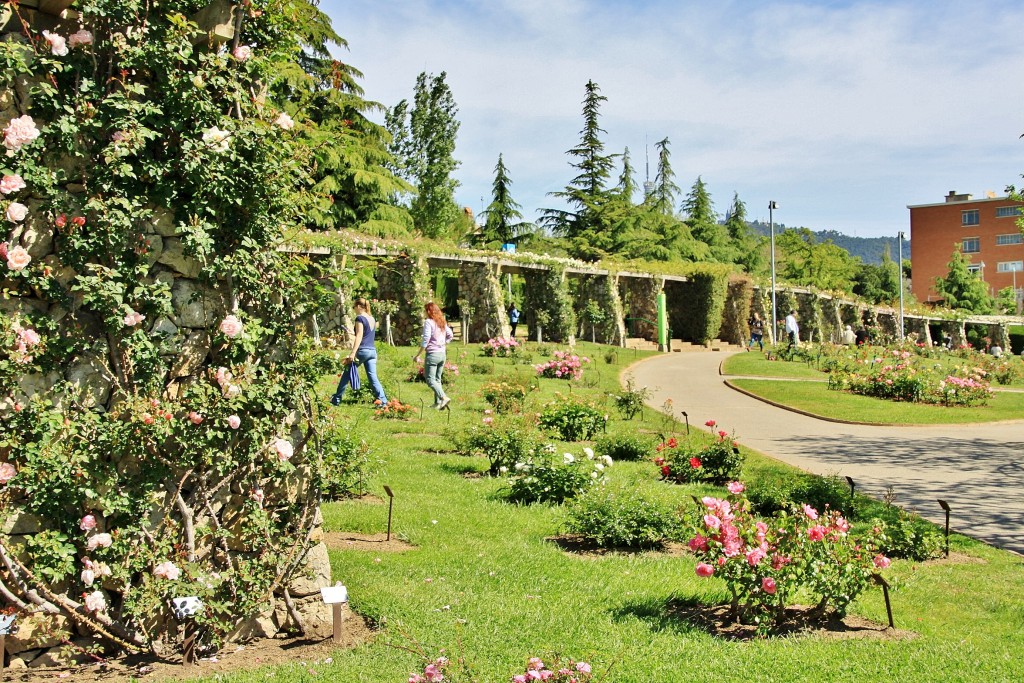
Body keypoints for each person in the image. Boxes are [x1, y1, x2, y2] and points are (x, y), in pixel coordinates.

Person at [330, 298, 389, 407]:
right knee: (373, 377)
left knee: (347, 374)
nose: (354, 310)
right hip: (372, 351)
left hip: (362, 351)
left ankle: (336, 399)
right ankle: (383, 401)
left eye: (354, 307)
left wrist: (353, 353)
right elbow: (367, 334)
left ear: (358, 306)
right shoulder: (371, 318)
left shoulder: (359, 318)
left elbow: (360, 336)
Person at [413, 301, 454, 410]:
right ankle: (438, 403)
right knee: (437, 379)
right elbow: (450, 335)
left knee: (430, 379)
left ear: (428, 311)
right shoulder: (442, 322)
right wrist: (443, 343)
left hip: (432, 354)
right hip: (442, 354)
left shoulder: (429, 322)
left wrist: (418, 355)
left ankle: (443, 397)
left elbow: (425, 339)